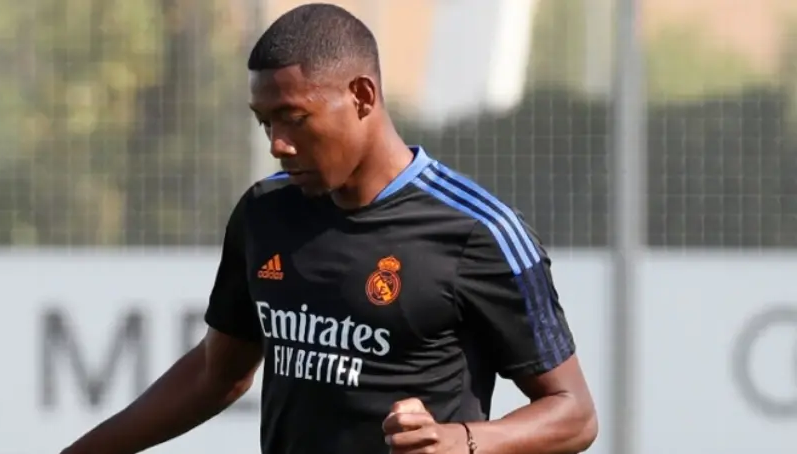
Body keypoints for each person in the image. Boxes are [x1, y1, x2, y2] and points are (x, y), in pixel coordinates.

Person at [61, 3, 598, 454]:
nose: (277, 143)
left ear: (362, 96)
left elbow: (574, 413)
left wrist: (463, 440)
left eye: (294, 118)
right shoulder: (265, 213)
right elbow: (215, 374)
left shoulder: (478, 230)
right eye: (265, 121)